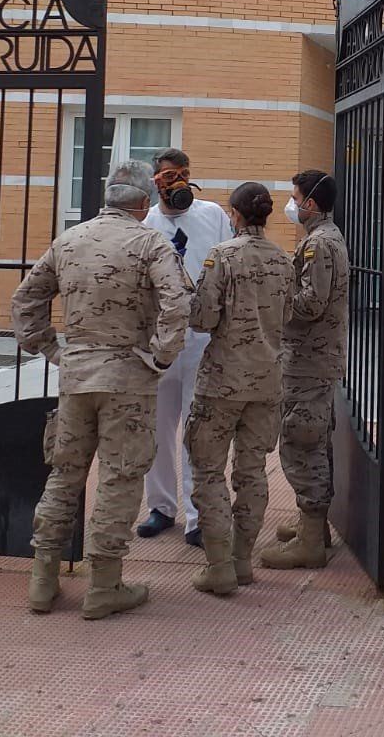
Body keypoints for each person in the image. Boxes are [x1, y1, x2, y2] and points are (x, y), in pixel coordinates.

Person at [11, 160, 191, 620]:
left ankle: (42, 580)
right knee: (119, 477)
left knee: (64, 474)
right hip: (129, 378)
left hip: (76, 376)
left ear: (108, 195)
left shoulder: (69, 239)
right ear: (144, 203)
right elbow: (178, 304)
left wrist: (52, 349)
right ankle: (105, 585)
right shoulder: (150, 242)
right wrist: (161, 356)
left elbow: (26, 300)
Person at [184, 181, 291, 595]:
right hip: (266, 383)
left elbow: (202, 320)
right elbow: (289, 316)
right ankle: (242, 560)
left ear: (236, 214)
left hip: (222, 383)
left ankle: (218, 565)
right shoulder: (283, 260)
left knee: (208, 470)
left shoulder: (222, 257)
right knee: (252, 472)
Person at [137, 147, 233, 548]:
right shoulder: (144, 222)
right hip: (159, 338)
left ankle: (197, 515)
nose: (178, 182)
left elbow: (229, 266)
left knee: (198, 428)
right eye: (169, 176)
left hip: (201, 337)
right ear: (155, 182)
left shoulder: (213, 215)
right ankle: (161, 507)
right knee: (157, 425)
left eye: (184, 174)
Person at [261, 170, 349, 571]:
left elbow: (311, 303)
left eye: (295, 198)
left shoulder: (319, 243)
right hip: (313, 358)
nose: (291, 205)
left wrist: (276, 302)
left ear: (310, 203)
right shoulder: (324, 237)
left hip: (308, 361)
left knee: (301, 441)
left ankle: (311, 541)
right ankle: (313, 526)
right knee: (312, 438)